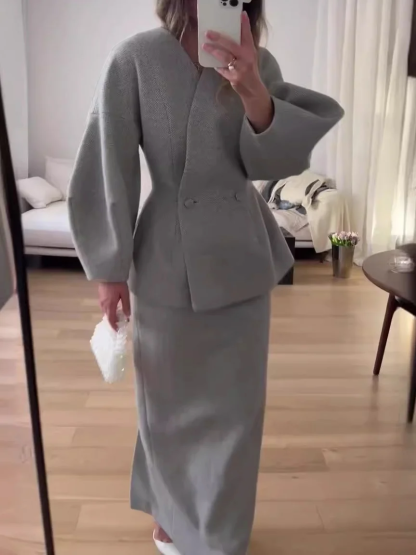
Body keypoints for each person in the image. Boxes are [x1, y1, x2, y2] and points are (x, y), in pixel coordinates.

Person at [68, 1, 343, 554]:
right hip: (166, 260)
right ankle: (170, 514)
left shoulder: (257, 60)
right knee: (167, 409)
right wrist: (109, 266)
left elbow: (275, 164)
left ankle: (222, 537)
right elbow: (108, 158)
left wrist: (252, 89)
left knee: (236, 416)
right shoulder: (136, 59)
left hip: (240, 259)